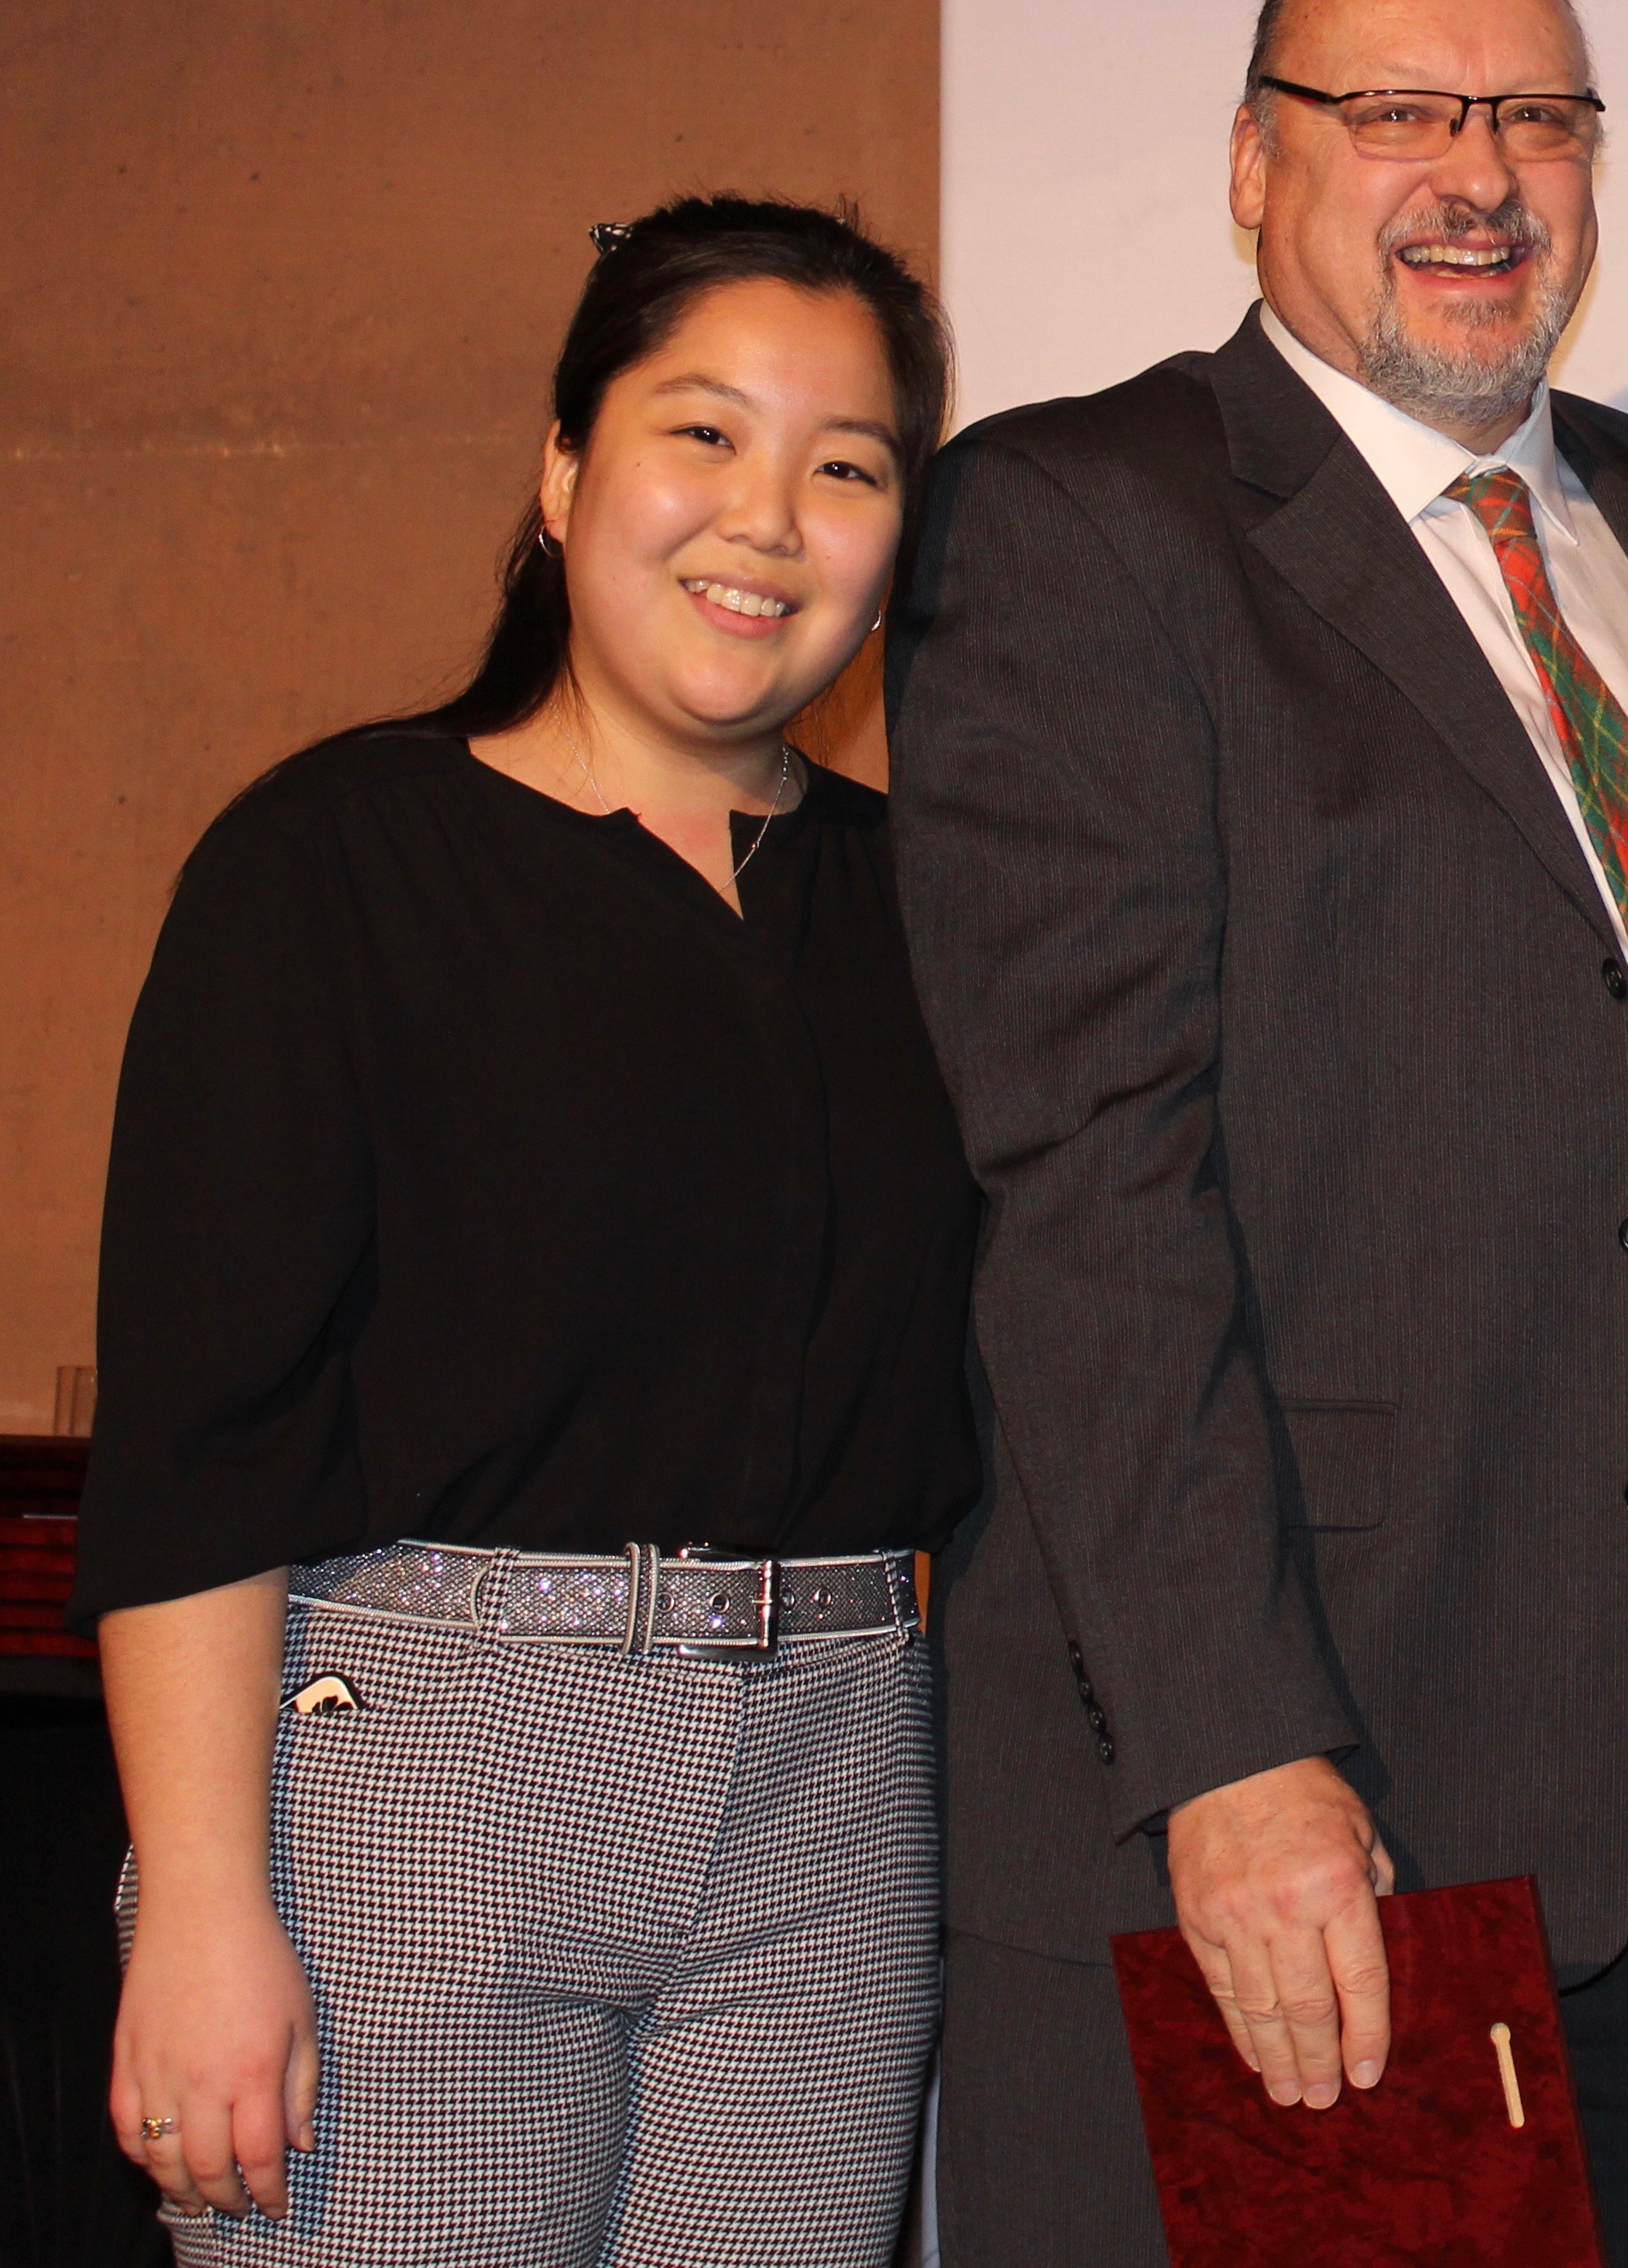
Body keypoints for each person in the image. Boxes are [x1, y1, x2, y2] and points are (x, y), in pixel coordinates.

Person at [887, 0, 1628, 2268]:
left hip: (1626, 1810)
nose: (1481, 173)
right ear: (1254, 162)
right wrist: (1238, 1750)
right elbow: (1094, 1199)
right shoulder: (1085, 526)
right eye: (1401, 112)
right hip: (1287, 1813)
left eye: (1537, 115)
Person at [75, 195, 977, 2265]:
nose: (769, 520)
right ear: (564, 471)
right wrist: (200, 1904)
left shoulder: (942, 904)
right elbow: (203, 1441)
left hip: (840, 1802)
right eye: (703, 434)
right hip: (417, 1787)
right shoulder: (333, 865)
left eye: (848, 468)